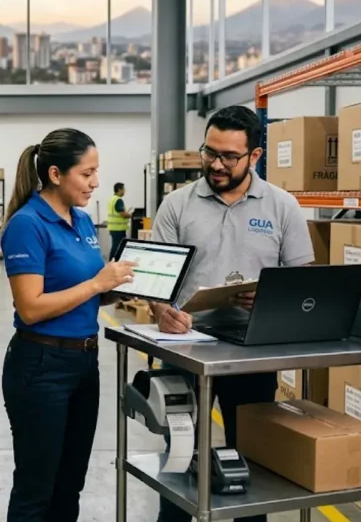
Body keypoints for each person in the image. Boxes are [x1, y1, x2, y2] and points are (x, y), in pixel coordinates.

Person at [150, 106, 314, 522]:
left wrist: (272, 299)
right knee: (179, 456)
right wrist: (161, 310)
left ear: (254, 156)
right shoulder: (176, 205)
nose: (216, 164)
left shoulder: (283, 206)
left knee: (250, 461)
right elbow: (155, 283)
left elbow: (304, 285)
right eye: (210, 152)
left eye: (229, 156)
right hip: (183, 349)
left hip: (252, 353)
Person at [0, 129, 137, 522]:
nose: (95, 182)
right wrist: (97, 283)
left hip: (83, 364)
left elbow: (87, 290)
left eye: (97, 172)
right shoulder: (27, 224)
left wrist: (118, 291)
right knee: (35, 488)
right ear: (56, 174)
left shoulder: (82, 220)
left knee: (70, 483)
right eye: (87, 173)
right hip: (40, 366)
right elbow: (30, 307)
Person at [107, 182, 132, 258]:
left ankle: (112, 261)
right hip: (118, 228)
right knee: (118, 247)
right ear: (119, 190)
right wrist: (130, 215)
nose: (124, 191)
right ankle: (114, 261)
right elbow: (122, 214)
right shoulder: (118, 200)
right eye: (123, 189)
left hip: (113, 228)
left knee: (115, 246)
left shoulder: (112, 199)